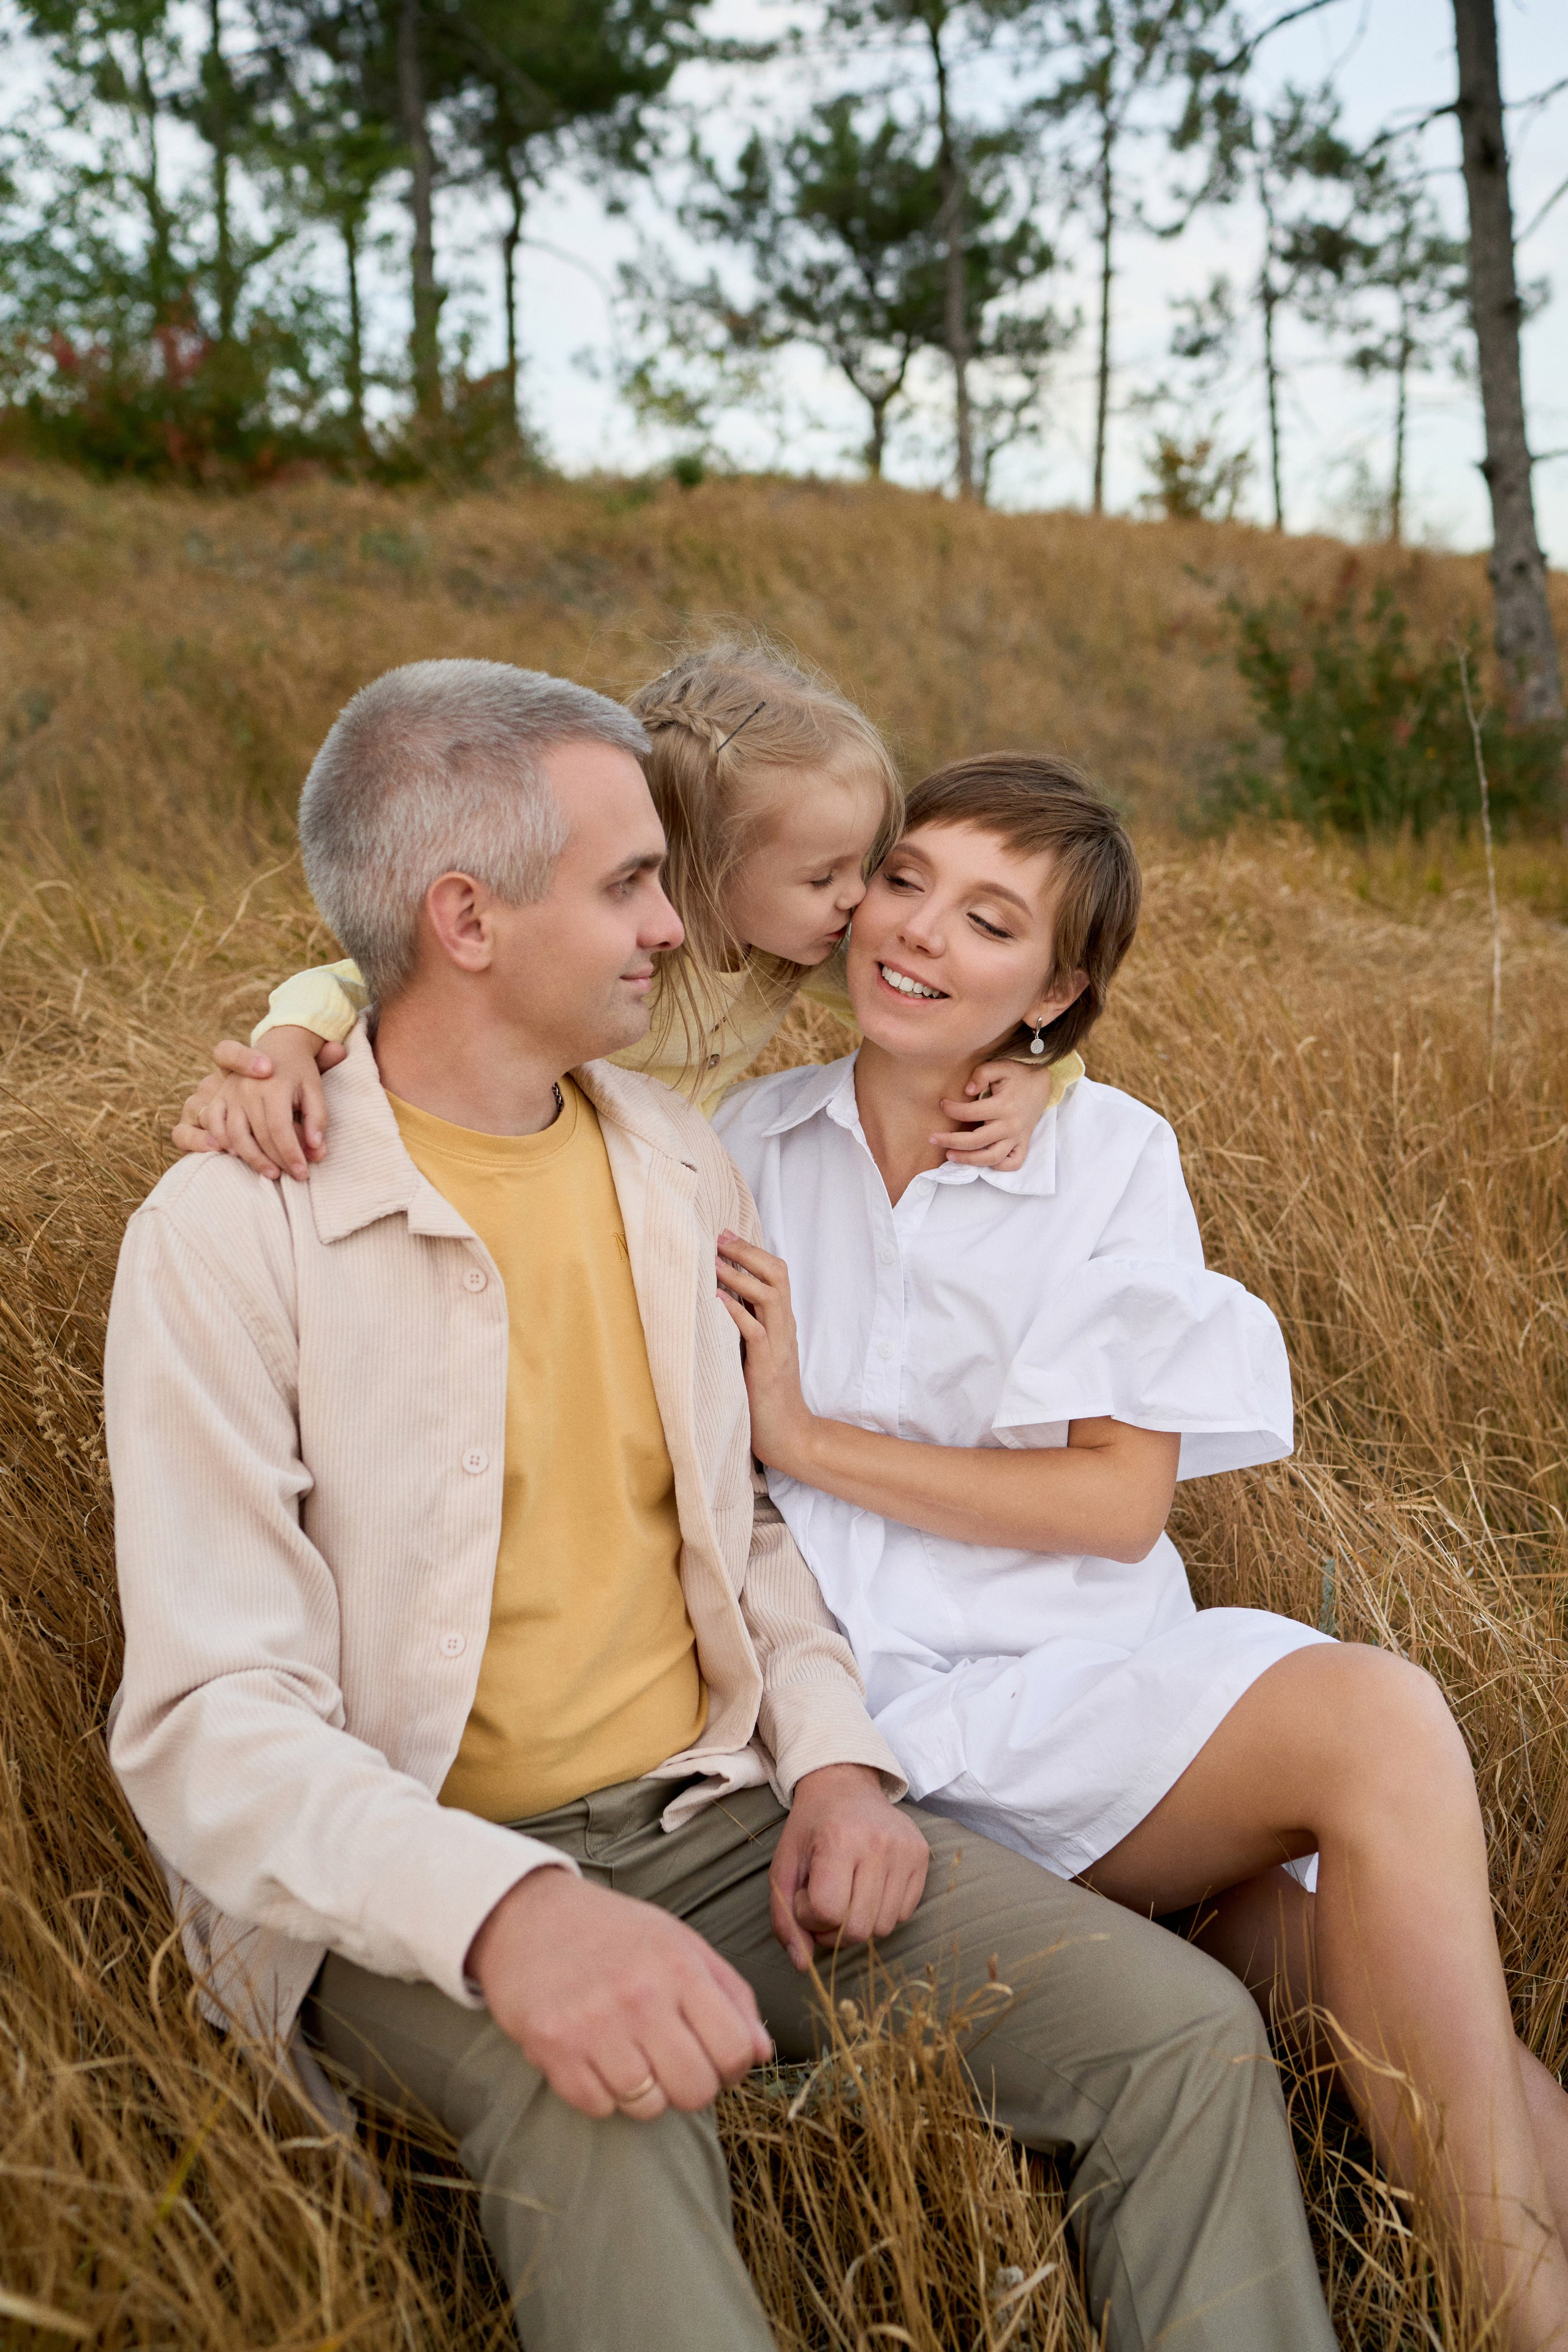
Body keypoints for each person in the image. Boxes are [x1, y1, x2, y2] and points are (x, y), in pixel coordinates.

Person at [105, 662, 1338, 2352]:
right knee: (614, 2102)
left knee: (1179, 2036)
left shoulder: (680, 1164)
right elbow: (210, 1719)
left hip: (718, 1816)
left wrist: (835, 1762)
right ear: (466, 917)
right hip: (408, 1868)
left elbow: (740, 1525)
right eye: (629, 886)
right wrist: (509, 1913)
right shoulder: (232, 1225)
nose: (678, 926)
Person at [712, 749, 1568, 2351]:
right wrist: (282, 1033)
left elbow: (1112, 1508)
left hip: (1093, 1697)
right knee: (1370, 1783)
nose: (919, 934)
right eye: (906, 882)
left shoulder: (1103, 1156)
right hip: (876, 1731)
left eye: (991, 921)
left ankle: (1524, 2313)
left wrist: (808, 1436)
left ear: (1061, 986)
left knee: (1393, 1978)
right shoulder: (736, 1146)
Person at [172, 643, 1068, 1178]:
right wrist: (283, 1049)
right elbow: (363, 979)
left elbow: (958, 1011)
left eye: (865, 864)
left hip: (662, 1192)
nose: (858, 898)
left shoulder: (796, 949)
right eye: (824, 874)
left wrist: (1039, 1075)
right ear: (707, 871)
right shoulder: (614, 957)